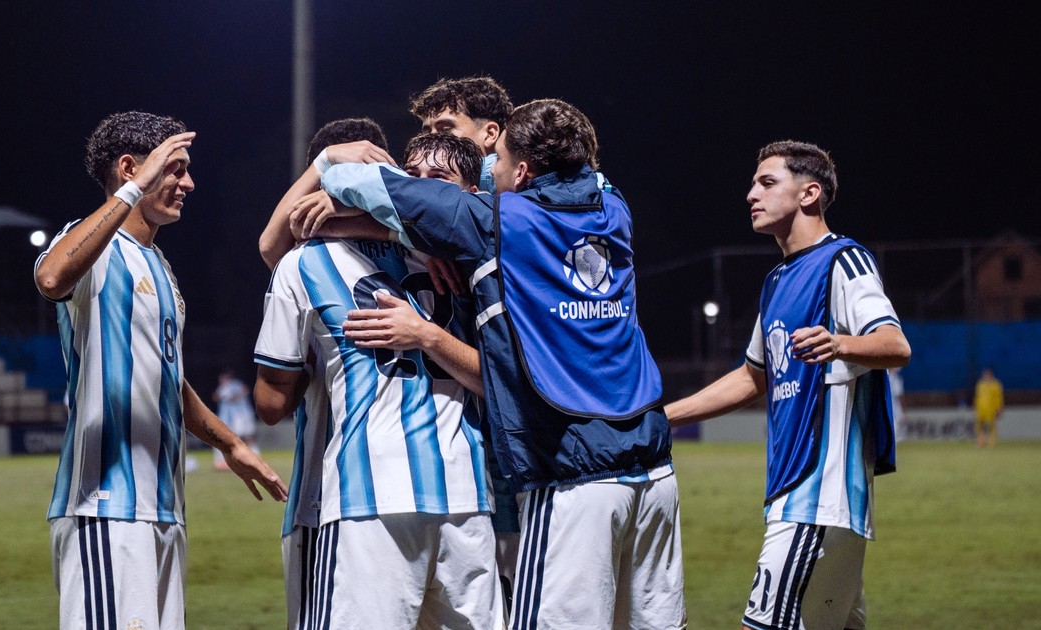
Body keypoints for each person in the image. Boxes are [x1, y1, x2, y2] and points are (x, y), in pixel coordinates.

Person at [305, 98, 684, 629]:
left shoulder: (492, 222)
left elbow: (361, 184)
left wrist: (330, 159)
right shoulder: (614, 207)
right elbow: (576, 174)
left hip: (575, 475)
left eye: (497, 159)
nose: (489, 170)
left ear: (522, 172)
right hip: (656, 472)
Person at [34, 110, 288, 630]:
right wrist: (129, 193)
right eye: (175, 170)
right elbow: (52, 278)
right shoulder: (93, 245)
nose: (188, 184)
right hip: (105, 506)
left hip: (164, 505)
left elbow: (167, 378)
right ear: (131, 168)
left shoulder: (160, 266)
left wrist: (231, 444)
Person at [254, 117, 503, 629]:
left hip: (359, 491)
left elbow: (272, 404)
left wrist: (316, 359)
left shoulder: (304, 263)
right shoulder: (469, 260)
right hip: (464, 486)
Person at [664, 140, 912, 630]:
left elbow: (895, 344)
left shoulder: (844, 261)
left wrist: (840, 343)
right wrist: (663, 416)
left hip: (819, 496)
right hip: (795, 492)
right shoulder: (776, 281)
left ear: (809, 194)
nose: (751, 194)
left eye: (767, 182)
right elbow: (751, 376)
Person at [409, 75, 513, 193]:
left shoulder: (520, 184)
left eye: (445, 130)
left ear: (489, 134)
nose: (431, 141)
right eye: (426, 133)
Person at [212, 369, 259, 469]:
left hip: (241, 415)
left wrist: (235, 397)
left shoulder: (235, 385)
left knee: (247, 436)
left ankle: (255, 456)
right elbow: (215, 397)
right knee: (224, 438)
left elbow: (244, 390)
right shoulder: (223, 388)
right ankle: (223, 461)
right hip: (227, 418)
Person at [973, 366, 1004, 448]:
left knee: (991, 427)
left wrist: (999, 409)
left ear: (991, 375)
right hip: (981, 409)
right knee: (978, 427)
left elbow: (998, 398)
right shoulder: (980, 384)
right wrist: (975, 405)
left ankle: (991, 443)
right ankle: (981, 442)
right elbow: (977, 396)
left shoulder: (996, 385)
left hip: (991, 409)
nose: (986, 376)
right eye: (985, 374)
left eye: (987, 374)